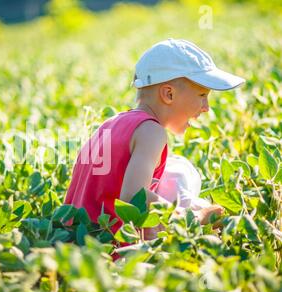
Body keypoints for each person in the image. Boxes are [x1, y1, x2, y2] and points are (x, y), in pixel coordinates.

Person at [63, 38, 245, 255]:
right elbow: (133, 197)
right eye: (202, 95)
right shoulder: (152, 132)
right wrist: (190, 218)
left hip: (72, 247)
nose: (206, 107)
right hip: (109, 255)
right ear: (168, 94)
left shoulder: (109, 125)